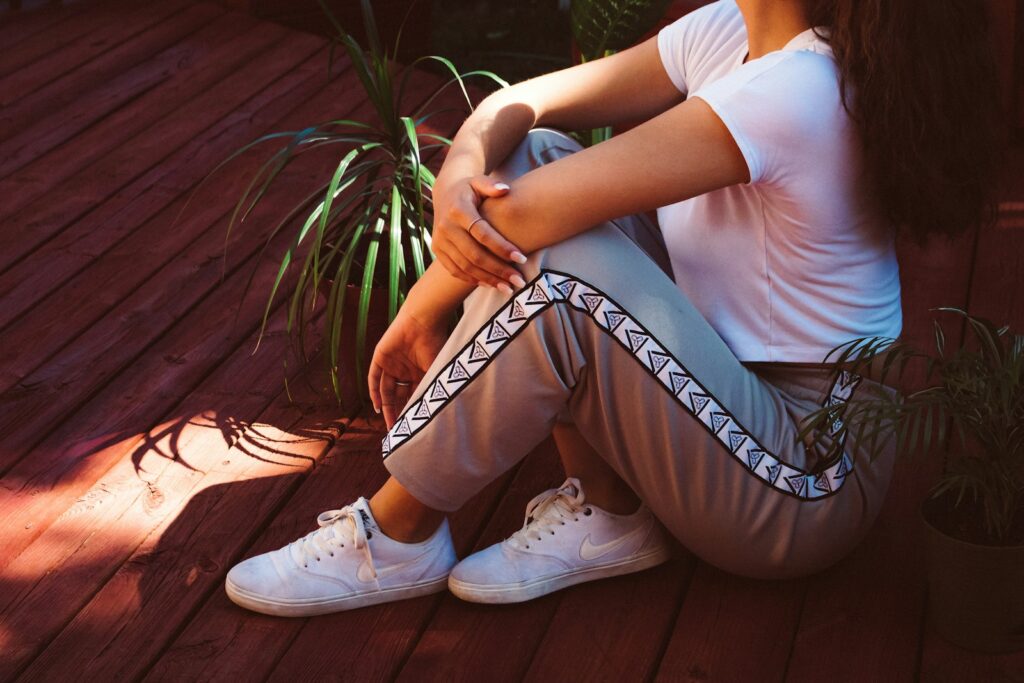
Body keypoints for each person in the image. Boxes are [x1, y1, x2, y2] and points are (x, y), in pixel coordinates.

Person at [224, 0, 1002, 616]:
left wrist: (418, 310)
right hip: (731, 388)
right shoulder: (732, 30)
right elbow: (525, 105)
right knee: (532, 158)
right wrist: (459, 176)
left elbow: (528, 220)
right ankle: (610, 509)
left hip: (807, 472)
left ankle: (398, 534)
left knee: (558, 259)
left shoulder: (796, 89)